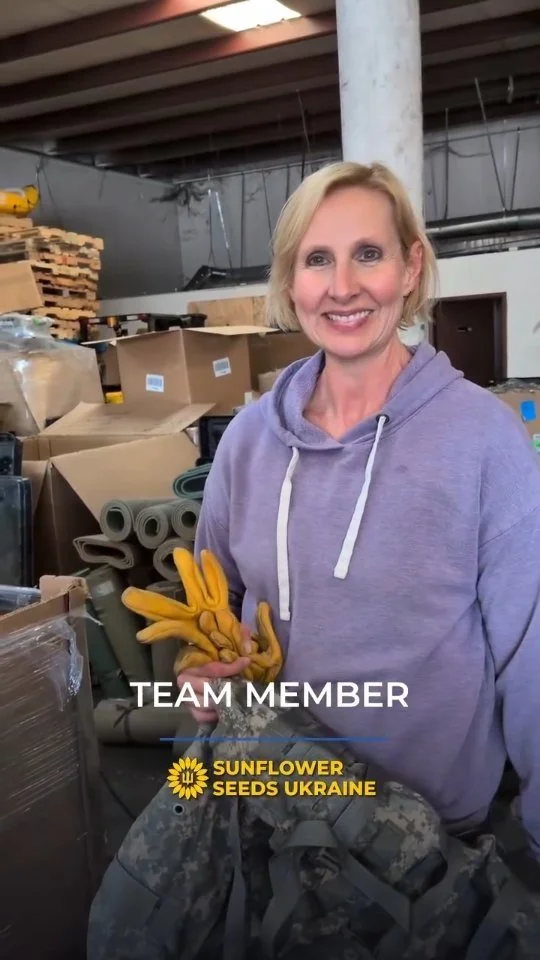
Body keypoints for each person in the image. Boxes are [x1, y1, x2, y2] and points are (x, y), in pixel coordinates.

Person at [177, 159, 540, 865]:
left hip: (425, 844)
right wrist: (200, 666)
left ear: (410, 268)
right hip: (271, 811)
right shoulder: (249, 440)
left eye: (368, 254)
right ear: (291, 283)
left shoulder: (483, 439)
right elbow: (209, 604)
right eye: (317, 259)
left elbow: (531, 658)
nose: (342, 286)